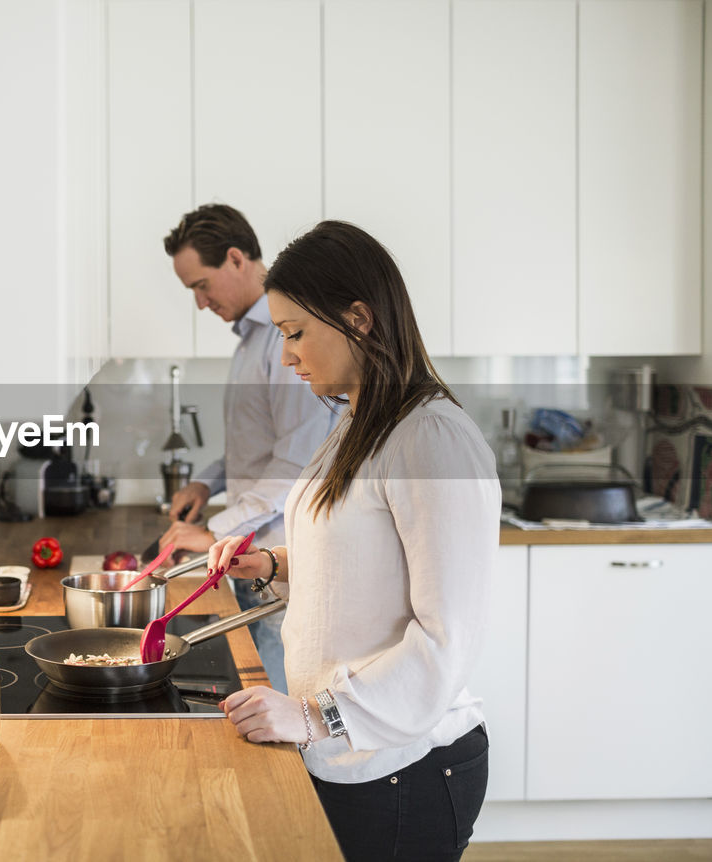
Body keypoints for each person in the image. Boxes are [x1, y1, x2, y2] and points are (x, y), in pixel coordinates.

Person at [207, 221, 499, 861]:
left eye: (295, 333)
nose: (286, 355)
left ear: (359, 319)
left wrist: (313, 717)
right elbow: (358, 565)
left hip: (407, 764)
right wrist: (273, 564)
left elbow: (446, 639)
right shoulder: (362, 421)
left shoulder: (433, 440)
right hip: (352, 752)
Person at [156, 203, 336, 694]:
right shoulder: (249, 342)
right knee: (262, 696)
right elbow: (254, 445)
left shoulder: (285, 342)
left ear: (236, 259)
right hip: (252, 555)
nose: (199, 303)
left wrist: (214, 528)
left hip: (282, 560)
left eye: (201, 285)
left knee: (281, 707)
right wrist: (206, 482)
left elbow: (295, 463)